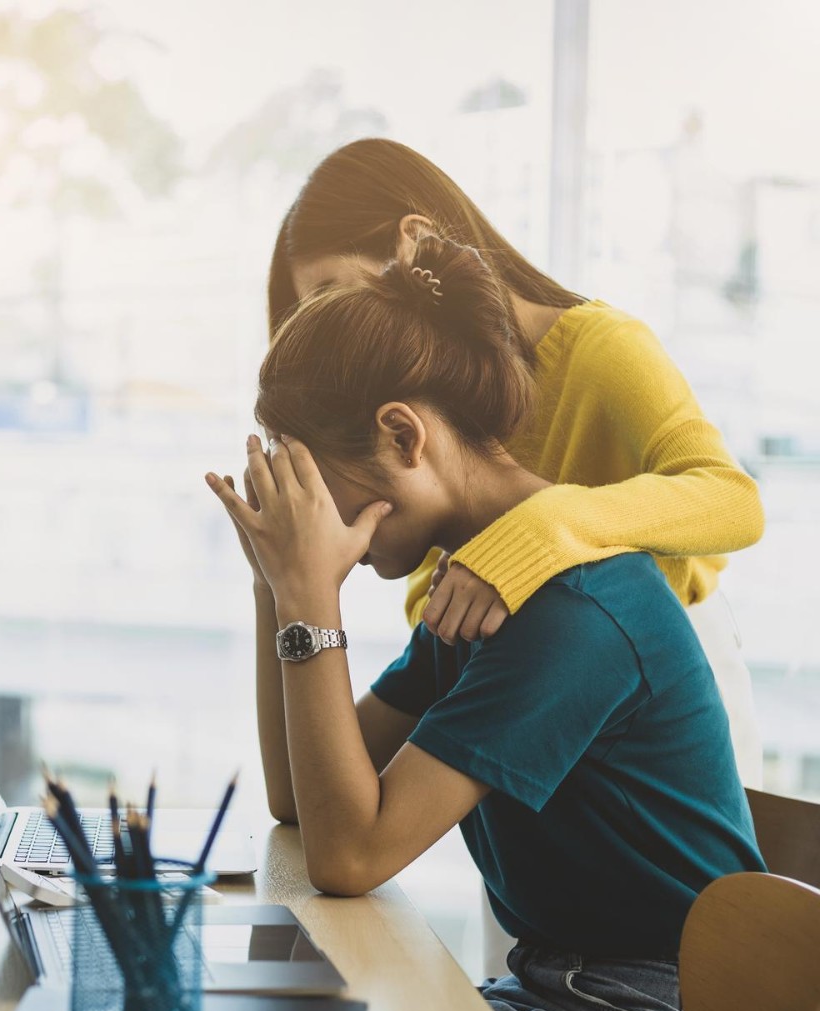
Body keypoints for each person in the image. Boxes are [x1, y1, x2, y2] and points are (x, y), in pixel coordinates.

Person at [191, 229, 767, 1011]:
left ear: (402, 433)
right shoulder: (480, 582)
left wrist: (311, 597)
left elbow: (350, 851)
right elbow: (303, 793)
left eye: (324, 491)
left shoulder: (566, 611)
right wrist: (280, 581)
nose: (335, 533)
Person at [266, 138, 764, 789]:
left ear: (413, 242)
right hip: (523, 681)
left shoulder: (600, 350)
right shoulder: (429, 421)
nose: (332, 332)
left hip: (654, 697)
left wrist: (540, 528)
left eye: (333, 294)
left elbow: (733, 500)